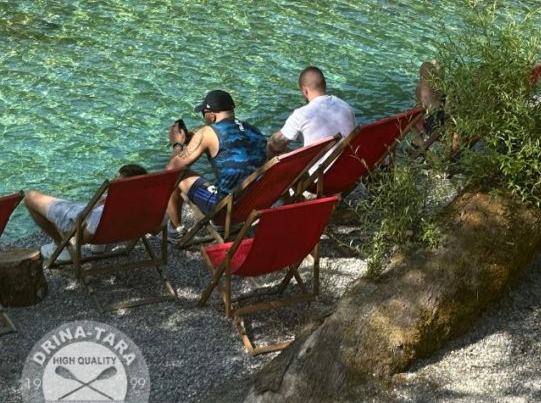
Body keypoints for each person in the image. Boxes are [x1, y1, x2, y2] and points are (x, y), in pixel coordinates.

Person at [165, 89, 267, 238]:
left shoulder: (207, 132)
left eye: (203, 114)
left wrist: (177, 144)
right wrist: (197, 141)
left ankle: (176, 231)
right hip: (252, 206)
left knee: (177, 175)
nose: (203, 118)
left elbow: (171, 169)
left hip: (225, 212)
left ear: (211, 114)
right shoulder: (254, 130)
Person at [24, 163, 148, 262]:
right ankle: (100, 245)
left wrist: (92, 210)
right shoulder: (147, 206)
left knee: (31, 198)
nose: (113, 181)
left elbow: (81, 240)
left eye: (116, 180)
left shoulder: (98, 215)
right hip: (110, 224)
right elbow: (156, 228)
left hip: (79, 217)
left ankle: (62, 247)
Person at [267, 66, 356, 156]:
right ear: (325, 85)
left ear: (305, 91)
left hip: (321, 168)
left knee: (271, 147)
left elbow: (275, 145)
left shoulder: (301, 114)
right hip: (349, 164)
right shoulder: (345, 106)